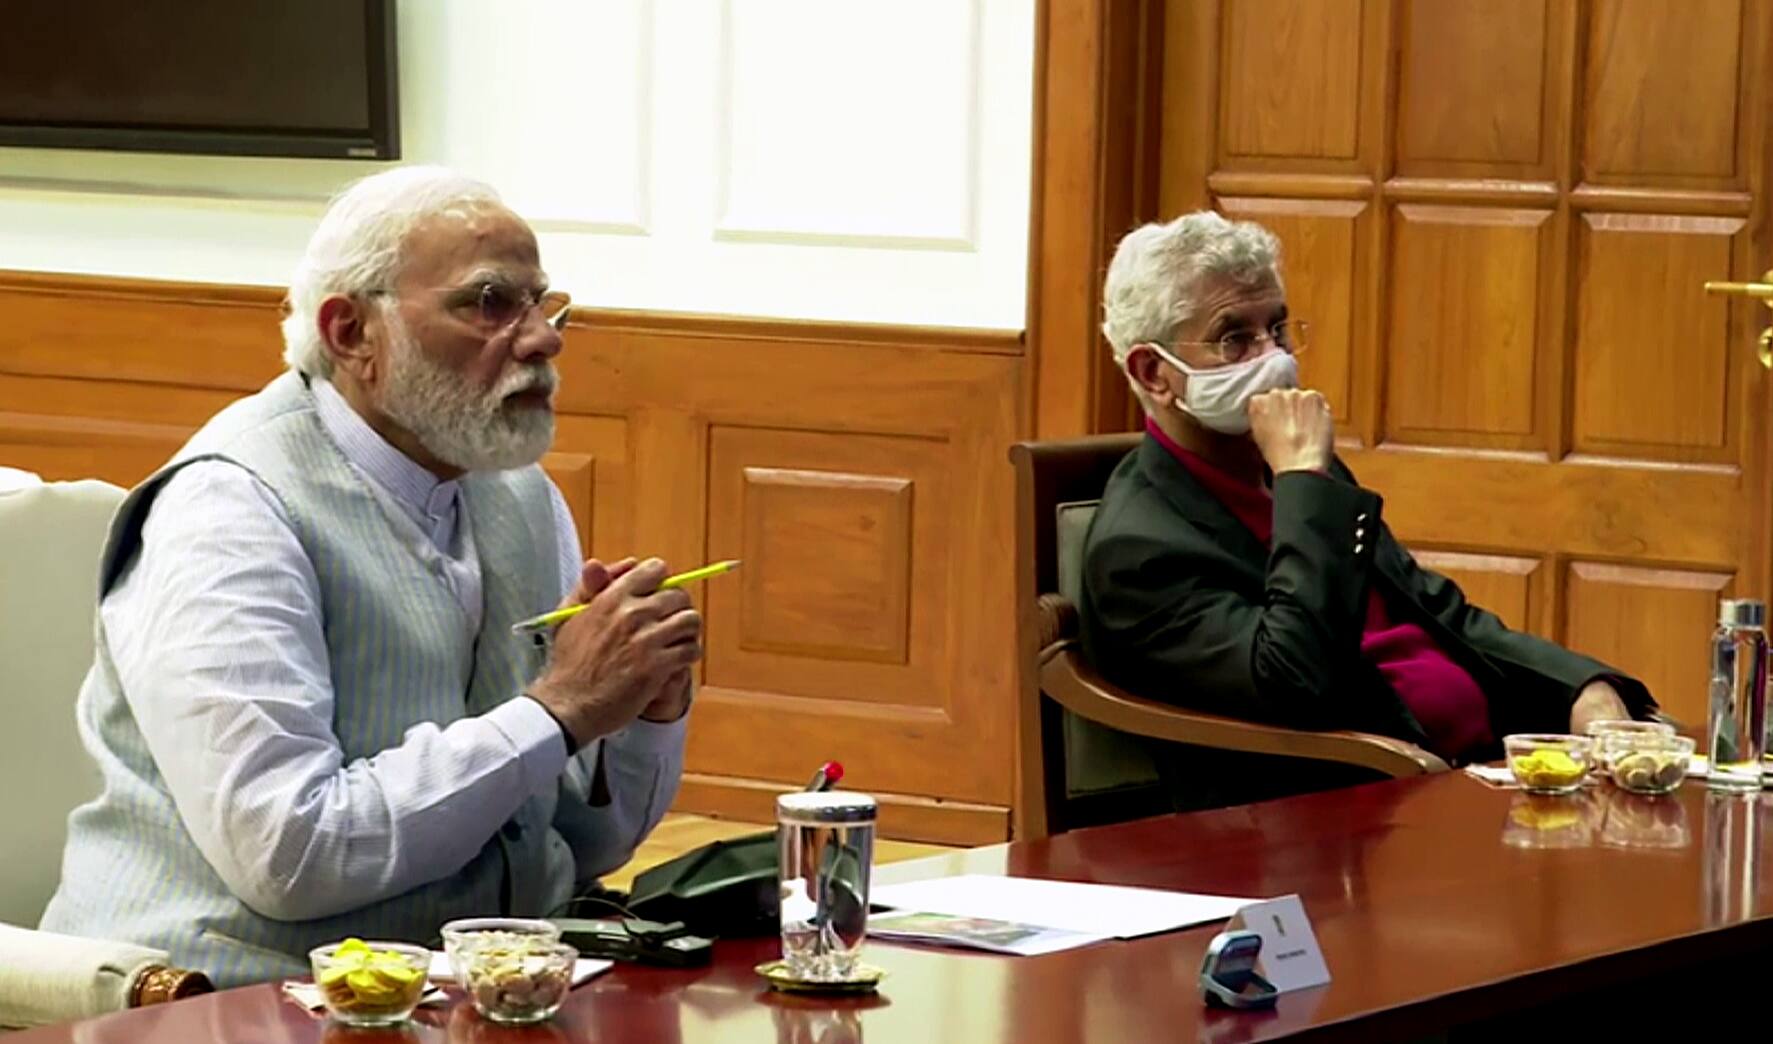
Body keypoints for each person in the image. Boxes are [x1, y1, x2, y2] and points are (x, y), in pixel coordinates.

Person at [41, 167, 702, 986]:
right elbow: (289, 858)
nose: (542, 339)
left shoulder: (518, 493)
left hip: (467, 995)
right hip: (225, 1002)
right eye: (491, 303)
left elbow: (578, 845)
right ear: (352, 331)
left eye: (544, 304)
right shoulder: (229, 511)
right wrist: (561, 707)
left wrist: (636, 711)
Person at [1081, 211, 1656, 809]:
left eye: (1277, 328)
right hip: (1350, 810)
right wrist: (1303, 480)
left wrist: (1582, 690)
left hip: (1472, 776)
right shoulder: (1141, 550)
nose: (1272, 357)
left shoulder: (1298, 479)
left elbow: (1436, 612)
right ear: (1154, 373)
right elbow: (1295, 682)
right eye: (1235, 338)